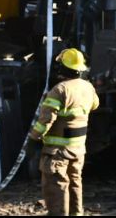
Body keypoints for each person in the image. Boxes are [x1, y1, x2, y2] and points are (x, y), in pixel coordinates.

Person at [27, 48, 99, 216]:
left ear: (62, 68)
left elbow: (45, 121)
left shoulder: (59, 90)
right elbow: (95, 105)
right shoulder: (88, 87)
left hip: (57, 152)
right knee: (75, 183)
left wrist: (34, 139)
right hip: (78, 149)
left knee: (56, 188)